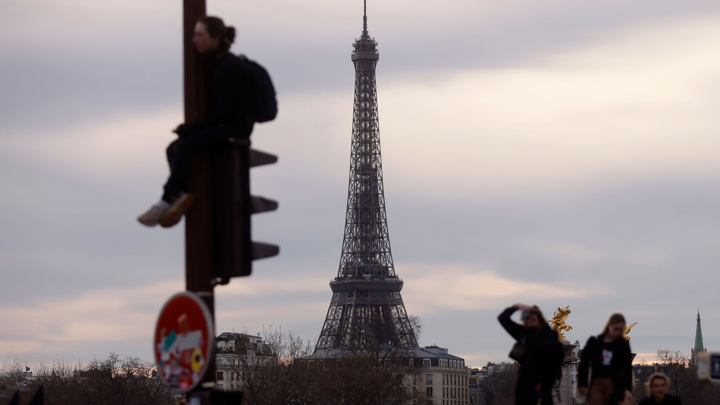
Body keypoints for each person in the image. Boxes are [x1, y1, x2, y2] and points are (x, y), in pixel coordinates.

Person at [138, 16, 254, 227]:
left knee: (184, 147)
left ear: (215, 38)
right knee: (174, 149)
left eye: (200, 35)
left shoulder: (229, 66)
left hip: (235, 128)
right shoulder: (216, 65)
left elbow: (227, 113)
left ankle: (164, 202)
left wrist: (191, 129)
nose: (194, 39)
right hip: (225, 124)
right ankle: (179, 195)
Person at [498, 303, 564, 405]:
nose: (526, 321)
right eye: (524, 318)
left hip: (541, 385)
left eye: (530, 318)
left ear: (539, 319)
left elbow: (539, 348)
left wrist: (533, 327)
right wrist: (515, 307)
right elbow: (503, 319)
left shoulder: (550, 336)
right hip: (524, 383)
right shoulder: (525, 332)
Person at [577, 313, 633, 405]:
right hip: (596, 383)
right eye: (616, 329)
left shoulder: (623, 345)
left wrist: (627, 390)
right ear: (609, 326)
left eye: (621, 330)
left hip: (614, 384)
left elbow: (627, 369)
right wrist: (582, 384)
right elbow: (584, 364)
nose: (618, 333)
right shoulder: (595, 342)